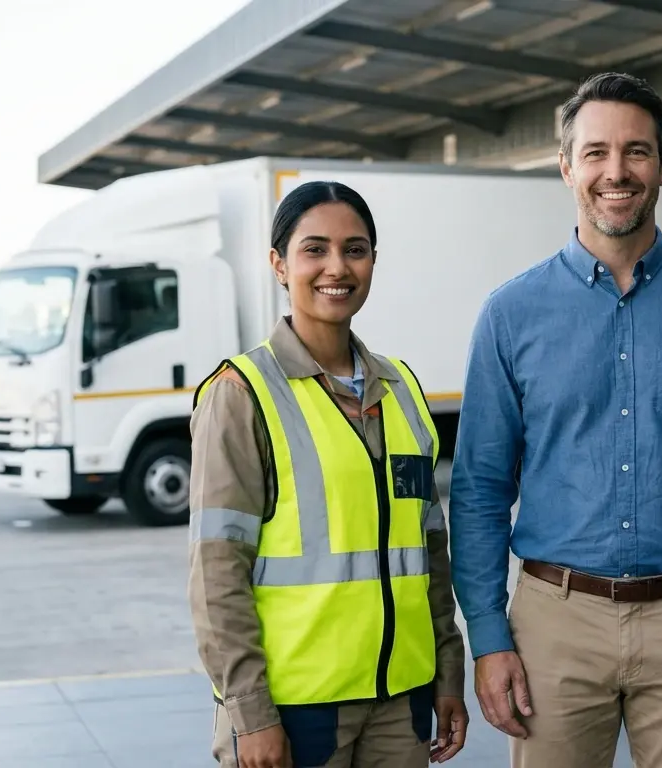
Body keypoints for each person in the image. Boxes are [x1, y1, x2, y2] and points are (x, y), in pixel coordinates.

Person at [447, 71, 662, 768]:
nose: (617, 171)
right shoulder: (511, 314)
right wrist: (488, 634)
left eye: (637, 152)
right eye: (597, 152)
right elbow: (480, 487)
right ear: (567, 167)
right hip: (554, 622)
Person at [188, 180, 469, 768]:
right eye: (314, 249)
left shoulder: (402, 390)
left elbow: (429, 549)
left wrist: (448, 669)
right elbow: (217, 576)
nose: (336, 267)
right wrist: (251, 712)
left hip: (401, 700)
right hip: (297, 710)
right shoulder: (242, 394)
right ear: (279, 265)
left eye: (355, 249)